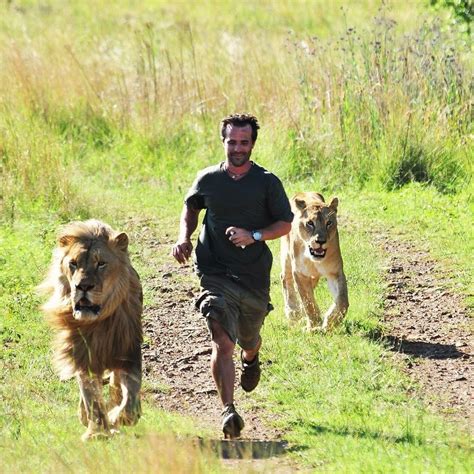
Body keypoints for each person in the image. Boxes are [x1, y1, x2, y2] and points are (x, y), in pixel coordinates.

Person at [172, 113, 293, 439]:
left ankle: (251, 358)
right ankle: (228, 410)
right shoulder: (209, 179)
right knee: (222, 341)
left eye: (244, 142)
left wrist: (253, 235)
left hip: (253, 277)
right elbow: (191, 207)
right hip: (214, 272)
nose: (237, 148)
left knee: (248, 339)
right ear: (223, 141)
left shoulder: (267, 182)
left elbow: (285, 224)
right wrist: (184, 237)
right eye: (232, 142)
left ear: (252, 144)